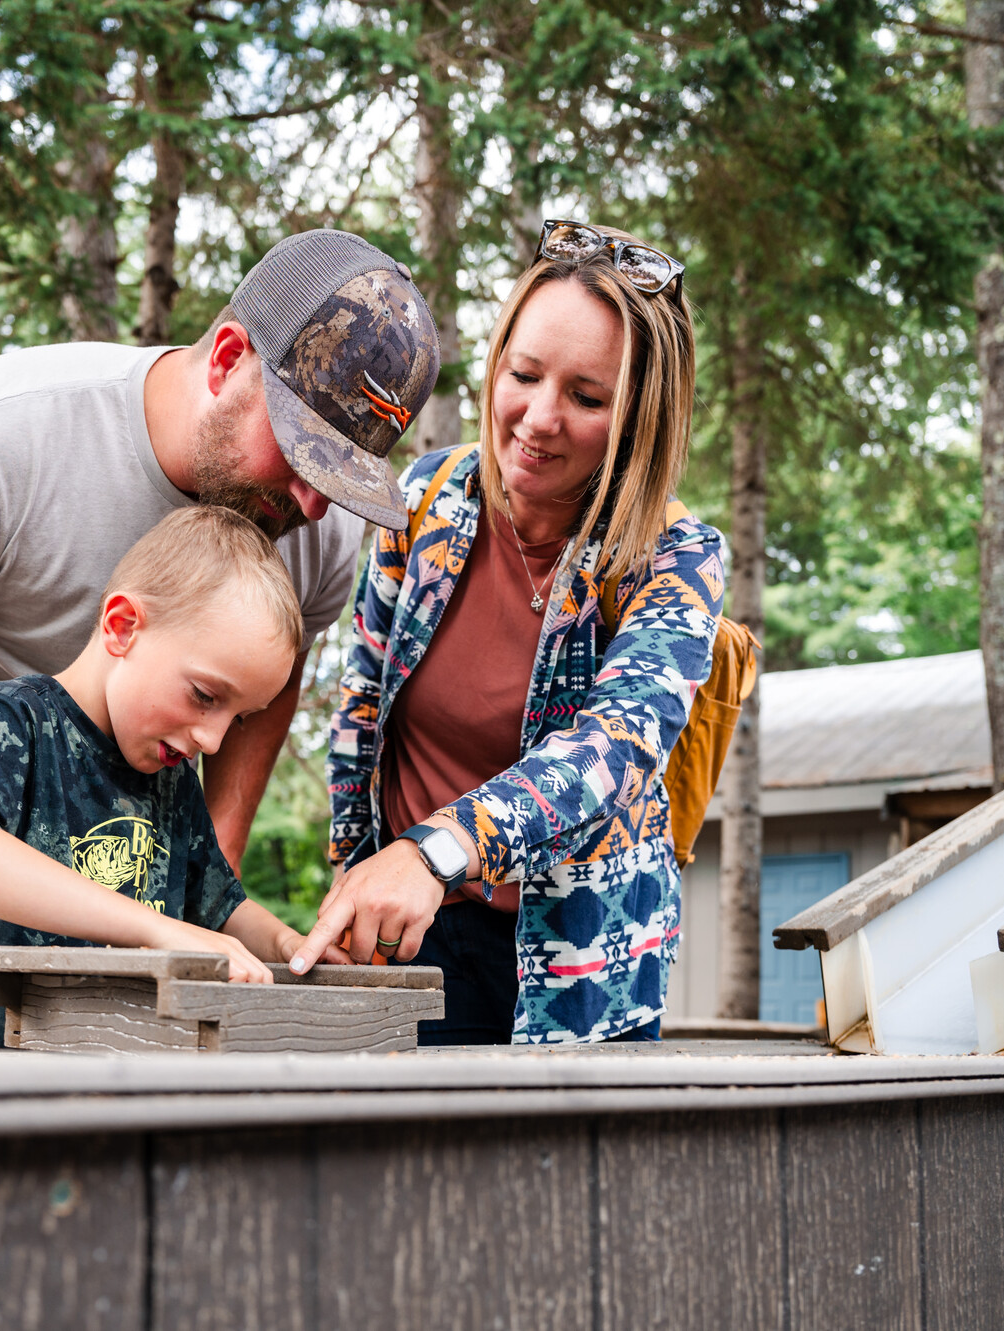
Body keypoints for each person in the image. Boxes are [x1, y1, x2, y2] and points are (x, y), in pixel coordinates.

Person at [0, 230, 440, 1037]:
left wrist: (199, 897)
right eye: (302, 452)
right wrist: (55, 868)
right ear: (225, 360)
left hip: (144, 852)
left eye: (342, 471)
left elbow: (270, 692)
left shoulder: (308, 511)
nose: (316, 505)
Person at [289, 221, 726, 1046]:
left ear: (639, 416)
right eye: (523, 375)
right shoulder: (425, 498)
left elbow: (611, 753)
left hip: (583, 960)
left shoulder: (677, 557)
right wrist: (359, 878)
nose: (538, 417)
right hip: (421, 939)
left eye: (588, 398)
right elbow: (361, 712)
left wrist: (437, 849)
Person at [0, 508, 349, 1049]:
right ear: (122, 627)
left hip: (103, 1087)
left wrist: (286, 943)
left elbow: (223, 911)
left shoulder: (172, 777)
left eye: (237, 718)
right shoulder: (12, 723)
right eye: (205, 696)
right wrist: (158, 929)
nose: (213, 741)